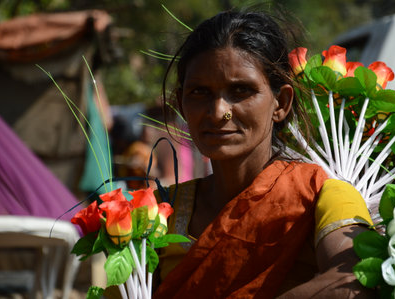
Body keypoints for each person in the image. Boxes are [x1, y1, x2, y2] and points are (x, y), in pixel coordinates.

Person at [153, 9, 374, 298]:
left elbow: (356, 278)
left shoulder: (322, 195)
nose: (219, 112)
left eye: (241, 90)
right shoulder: (159, 210)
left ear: (280, 103)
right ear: (181, 106)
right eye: (199, 92)